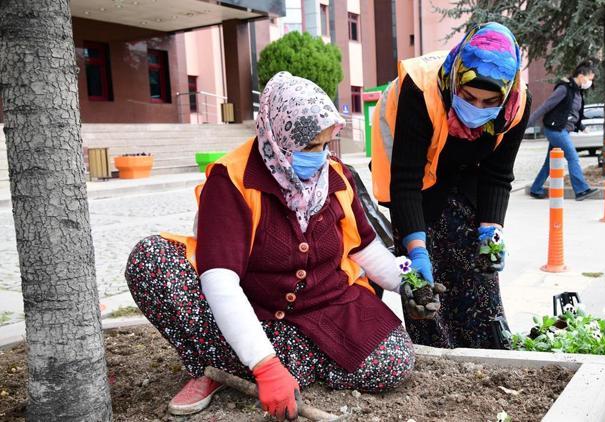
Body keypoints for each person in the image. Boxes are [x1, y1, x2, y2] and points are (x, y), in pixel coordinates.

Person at [125, 72, 416, 420]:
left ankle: (231, 364)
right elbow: (219, 280)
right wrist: (265, 366)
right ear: (277, 136)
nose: (320, 158)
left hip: (329, 308)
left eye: (326, 145)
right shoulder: (231, 180)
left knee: (394, 361)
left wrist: (410, 282)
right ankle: (249, 361)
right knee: (150, 260)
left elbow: (364, 248)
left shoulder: (336, 176)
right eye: (309, 147)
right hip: (256, 310)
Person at [370, 22, 530, 349]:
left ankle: (488, 352)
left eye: (489, 103)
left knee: (479, 281)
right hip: (412, 175)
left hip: (466, 170)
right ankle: (432, 352)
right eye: (469, 97)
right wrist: (416, 252)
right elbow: (405, 183)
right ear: (456, 79)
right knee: (425, 291)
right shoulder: (420, 90)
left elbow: (497, 175)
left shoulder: (517, 104)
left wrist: (491, 232)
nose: (477, 109)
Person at [528, 60, 599, 201]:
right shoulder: (564, 88)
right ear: (581, 75)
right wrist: (527, 123)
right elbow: (546, 106)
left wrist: (581, 127)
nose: (590, 82)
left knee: (549, 162)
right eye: (590, 78)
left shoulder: (577, 91)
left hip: (562, 130)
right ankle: (581, 190)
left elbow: (572, 112)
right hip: (555, 129)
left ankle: (535, 189)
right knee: (573, 157)